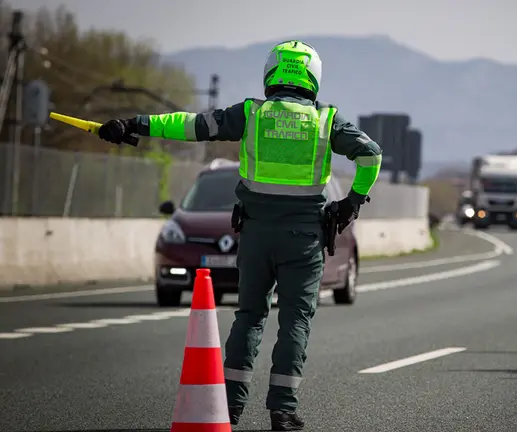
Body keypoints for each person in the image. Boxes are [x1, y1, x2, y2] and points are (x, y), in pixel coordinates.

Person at [97, 40, 382, 431]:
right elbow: (371, 154)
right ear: (313, 77)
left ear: (271, 73)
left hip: (256, 233)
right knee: (296, 320)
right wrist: (350, 203)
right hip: (304, 239)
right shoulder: (326, 120)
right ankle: (282, 410)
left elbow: (192, 125)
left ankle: (228, 409)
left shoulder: (251, 114)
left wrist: (136, 124)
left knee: (249, 317)